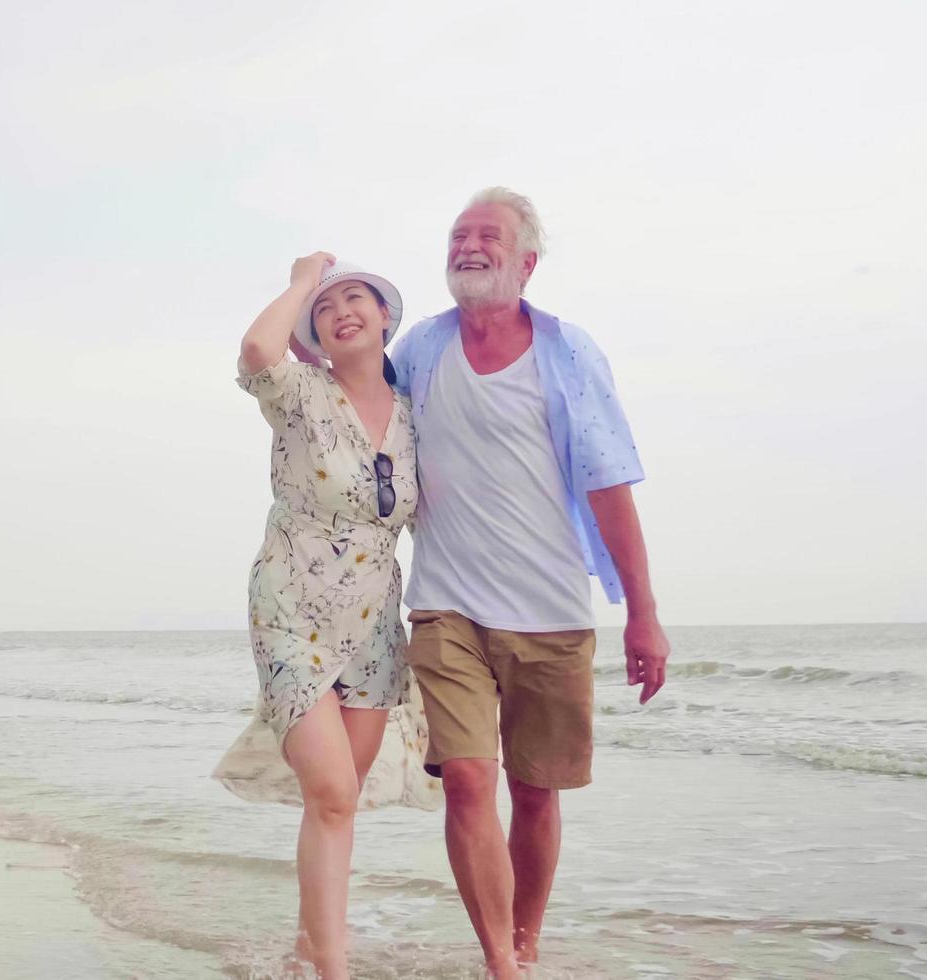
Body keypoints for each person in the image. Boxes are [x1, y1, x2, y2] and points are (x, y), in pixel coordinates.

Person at [390, 188, 672, 977]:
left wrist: (642, 615)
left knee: (537, 792)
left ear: (526, 261)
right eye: (458, 235)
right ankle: (500, 965)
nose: (468, 246)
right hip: (445, 606)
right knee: (468, 782)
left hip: (549, 609)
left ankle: (526, 936)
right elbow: (357, 407)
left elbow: (610, 485)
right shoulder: (418, 350)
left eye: (488, 236)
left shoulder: (568, 352)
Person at [213, 253, 441, 979]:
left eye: (356, 300)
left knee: (335, 807)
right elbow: (255, 351)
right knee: (334, 790)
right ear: (313, 332)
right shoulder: (299, 392)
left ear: (383, 320)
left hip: (374, 627)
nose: (342, 311)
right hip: (291, 610)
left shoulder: (413, 419)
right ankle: (333, 971)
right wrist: (302, 281)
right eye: (326, 308)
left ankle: (311, 947)